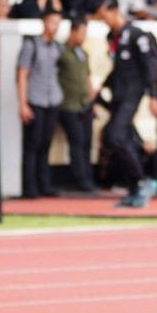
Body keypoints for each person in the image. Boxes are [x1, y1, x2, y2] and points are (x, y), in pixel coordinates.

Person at [98, 0, 157, 208]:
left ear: (115, 11)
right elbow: (117, 69)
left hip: (132, 94)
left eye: (105, 16)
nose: (104, 21)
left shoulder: (136, 35)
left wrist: (153, 96)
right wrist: (101, 87)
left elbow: (149, 66)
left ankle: (142, 181)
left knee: (115, 135)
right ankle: (135, 188)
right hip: (118, 95)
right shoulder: (113, 38)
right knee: (119, 138)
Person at [16, 6, 64, 198]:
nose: (55, 27)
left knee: (46, 144)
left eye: (58, 23)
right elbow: (22, 75)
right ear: (44, 22)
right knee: (32, 145)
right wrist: (23, 104)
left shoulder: (57, 47)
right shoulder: (31, 45)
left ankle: (45, 184)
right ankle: (29, 187)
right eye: (53, 22)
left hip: (52, 99)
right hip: (35, 99)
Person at [57, 16, 98, 192]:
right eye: (81, 33)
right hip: (68, 105)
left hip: (84, 104)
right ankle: (81, 180)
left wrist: (92, 100)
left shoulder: (84, 54)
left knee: (87, 143)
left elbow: (87, 78)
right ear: (72, 32)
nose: (83, 37)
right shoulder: (61, 52)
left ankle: (88, 178)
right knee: (77, 141)